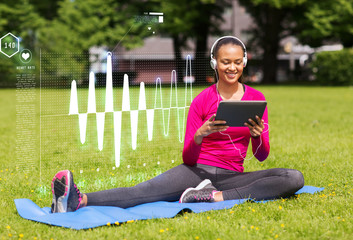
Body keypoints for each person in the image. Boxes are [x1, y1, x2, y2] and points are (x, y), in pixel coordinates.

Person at [51, 36, 304, 213]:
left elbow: (261, 157)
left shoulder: (256, 99)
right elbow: (188, 156)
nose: (232, 67)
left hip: (232, 177)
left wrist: (257, 135)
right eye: (226, 61)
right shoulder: (201, 100)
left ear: (244, 62)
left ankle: (213, 197)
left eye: (237, 61)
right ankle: (78, 199)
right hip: (196, 171)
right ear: (215, 63)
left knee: (293, 177)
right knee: (143, 191)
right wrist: (199, 135)